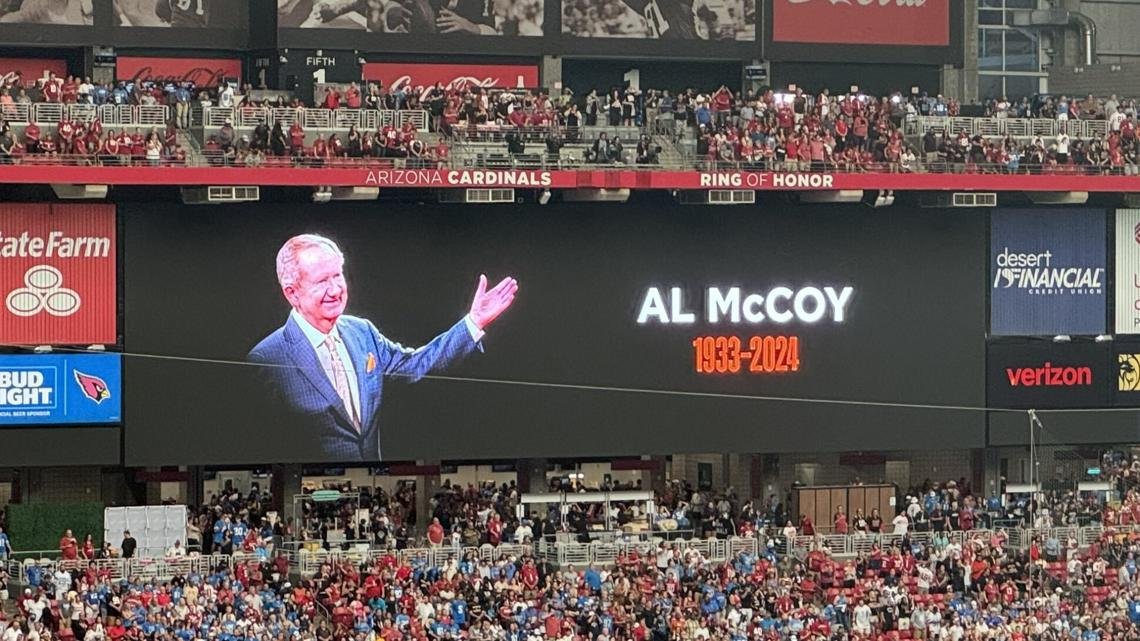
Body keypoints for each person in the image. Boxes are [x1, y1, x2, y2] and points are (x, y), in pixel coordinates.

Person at [248, 234, 518, 461]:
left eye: (337, 276)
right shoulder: (266, 359)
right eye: (321, 281)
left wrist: (473, 323)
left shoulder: (361, 331)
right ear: (291, 292)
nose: (335, 289)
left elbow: (417, 366)